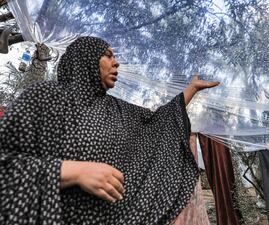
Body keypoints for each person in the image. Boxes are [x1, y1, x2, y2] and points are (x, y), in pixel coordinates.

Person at [0, 36, 219, 224]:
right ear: (86, 58)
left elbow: (159, 122)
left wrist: (191, 89)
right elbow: (6, 164)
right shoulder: (44, 97)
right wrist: (70, 171)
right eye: (107, 55)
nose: (116, 64)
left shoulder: (117, 110)